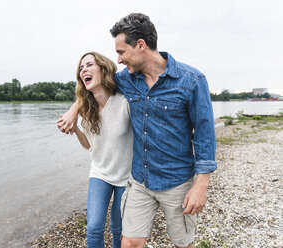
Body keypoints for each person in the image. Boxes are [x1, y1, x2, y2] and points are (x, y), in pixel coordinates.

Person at [58, 13, 217, 248]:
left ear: (141, 46)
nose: (119, 60)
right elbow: (92, 87)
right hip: (139, 181)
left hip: (177, 181)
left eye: (122, 52)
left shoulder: (192, 80)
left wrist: (201, 186)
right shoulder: (126, 80)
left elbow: (205, 135)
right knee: (129, 242)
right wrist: (74, 110)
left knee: (183, 244)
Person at [59, 51, 133, 248]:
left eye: (89, 65)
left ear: (103, 68)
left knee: (118, 229)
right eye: (81, 68)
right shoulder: (86, 108)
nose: (84, 70)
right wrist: (75, 129)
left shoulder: (124, 101)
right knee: (93, 229)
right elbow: (89, 146)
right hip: (100, 173)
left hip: (126, 177)